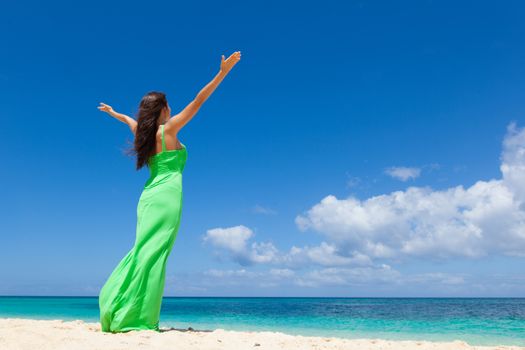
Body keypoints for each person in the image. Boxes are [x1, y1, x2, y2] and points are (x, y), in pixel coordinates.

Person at [96, 51, 241, 333]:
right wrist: (223, 72)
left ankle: (120, 306)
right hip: (167, 197)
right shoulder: (169, 129)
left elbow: (128, 120)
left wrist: (115, 113)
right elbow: (199, 100)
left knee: (143, 251)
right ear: (162, 110)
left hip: (148, 197)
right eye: (168, 105)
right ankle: (138, 318)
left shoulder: (143, 134)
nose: (171, 109)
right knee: (155, 253)